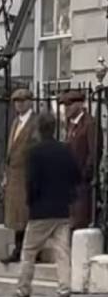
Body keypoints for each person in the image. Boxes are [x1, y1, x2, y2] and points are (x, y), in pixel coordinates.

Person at [5, 112, 80, 297]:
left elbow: (32, 182)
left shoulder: (34, 153)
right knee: (62, 253)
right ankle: (64, 293)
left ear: (38, 129)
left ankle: (23, 293)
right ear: (54, 128)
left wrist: (31, 202)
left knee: (28, 252)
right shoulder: (65, 150)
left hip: (40, 211)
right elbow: (76, 176)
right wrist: (68, 195)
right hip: (62, 209)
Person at [2, 87, 38, 264]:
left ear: (30, 102)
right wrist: (5, 174)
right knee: (17, 216)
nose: (19, 104)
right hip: (14, 175)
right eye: (16, 101)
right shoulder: (16, 122)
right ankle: (18, 249)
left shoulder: (35, 122)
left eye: (22, 101)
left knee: (27, 214)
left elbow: (37, 148)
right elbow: (10, 151)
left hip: (27, 174)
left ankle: (29, 251)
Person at [60, 89, 97, 229]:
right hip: (70, 181)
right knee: (70, 221)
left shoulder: (89, 124)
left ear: (80, 104)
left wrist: (85, 174)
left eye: (69, 104)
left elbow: (94, 152)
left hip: (81, 182)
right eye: (65, 105)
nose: (66, 108)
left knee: (80, 221)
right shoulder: (70, 124)